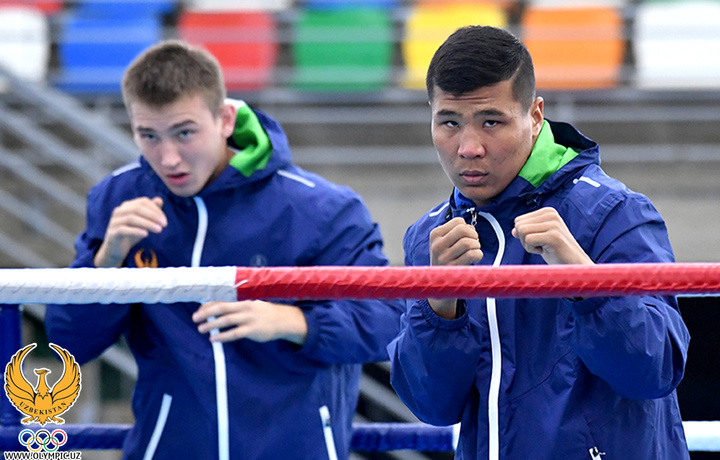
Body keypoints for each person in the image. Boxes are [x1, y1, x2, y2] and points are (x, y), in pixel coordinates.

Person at [44, 39, 404, 460]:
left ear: (225, 118)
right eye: (148, 135)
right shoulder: (118, 199)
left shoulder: (320, 208)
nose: (168, 157)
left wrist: (292, 320)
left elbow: (390, 320)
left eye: (184, 132)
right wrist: (107, 260)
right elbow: (68, 340)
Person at [387, 25, 691, 460]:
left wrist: (586, 284)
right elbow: (432, 407)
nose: (469, 147)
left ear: (534, 116)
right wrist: (439, 309)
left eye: (491, 121)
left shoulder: (613, 212)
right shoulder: (431, 238)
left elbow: (656, 370)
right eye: (449, 122)